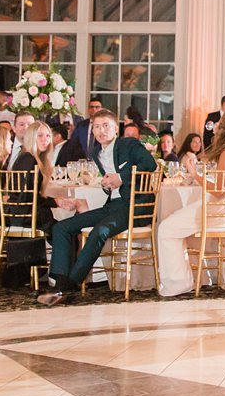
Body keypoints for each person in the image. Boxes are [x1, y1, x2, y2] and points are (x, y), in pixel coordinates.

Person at [37, 112, 157, 304]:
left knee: (100, 231)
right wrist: (107, 183)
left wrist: (120, 177)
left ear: (116, 128)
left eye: (106, 125)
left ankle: (71, 283)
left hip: (135, 206)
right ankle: (58, 281)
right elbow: (110, 180)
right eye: (97, 126)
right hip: (113, 205)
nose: (102, 130)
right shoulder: (95, 152)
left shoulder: (129, 144)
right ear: (92, 130)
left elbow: (149, 164)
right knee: (61, 228)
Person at [156, 113, 225, 296]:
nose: (215, 129)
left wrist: (194, 174)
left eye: (219, 126)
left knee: (166, 228)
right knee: (176, 226)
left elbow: (218, 190)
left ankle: (178, 283)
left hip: (218, 213)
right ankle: (195, 278)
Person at [8, 120, 59, 231]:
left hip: (26, 213)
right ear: (31, 137)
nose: (45, 139)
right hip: (25, 217)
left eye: (48, 135)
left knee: (66, 228)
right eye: (40, 135)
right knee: (66, 231)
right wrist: (55, 202)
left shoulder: (30, 158)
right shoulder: (28, 159)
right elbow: (27, 196)